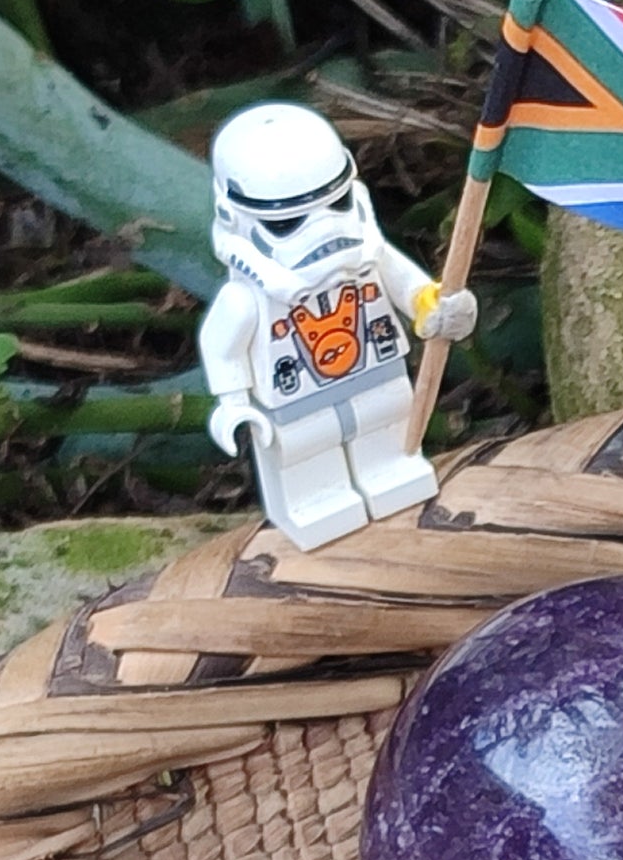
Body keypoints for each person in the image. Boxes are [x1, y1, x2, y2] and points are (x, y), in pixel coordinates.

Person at [198, 102, 479, 546]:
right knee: (304, 450)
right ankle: (313, 503)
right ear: (236, 219)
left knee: (385, 421)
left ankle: (390, 471)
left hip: (377, 372)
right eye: (289, 223)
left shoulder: (369, 259)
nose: (323, 231)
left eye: (338, 205)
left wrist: (437, 307)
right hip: (294, 402)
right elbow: (222, 346)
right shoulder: (246, 299)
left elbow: (412, 289)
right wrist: (234, 402)